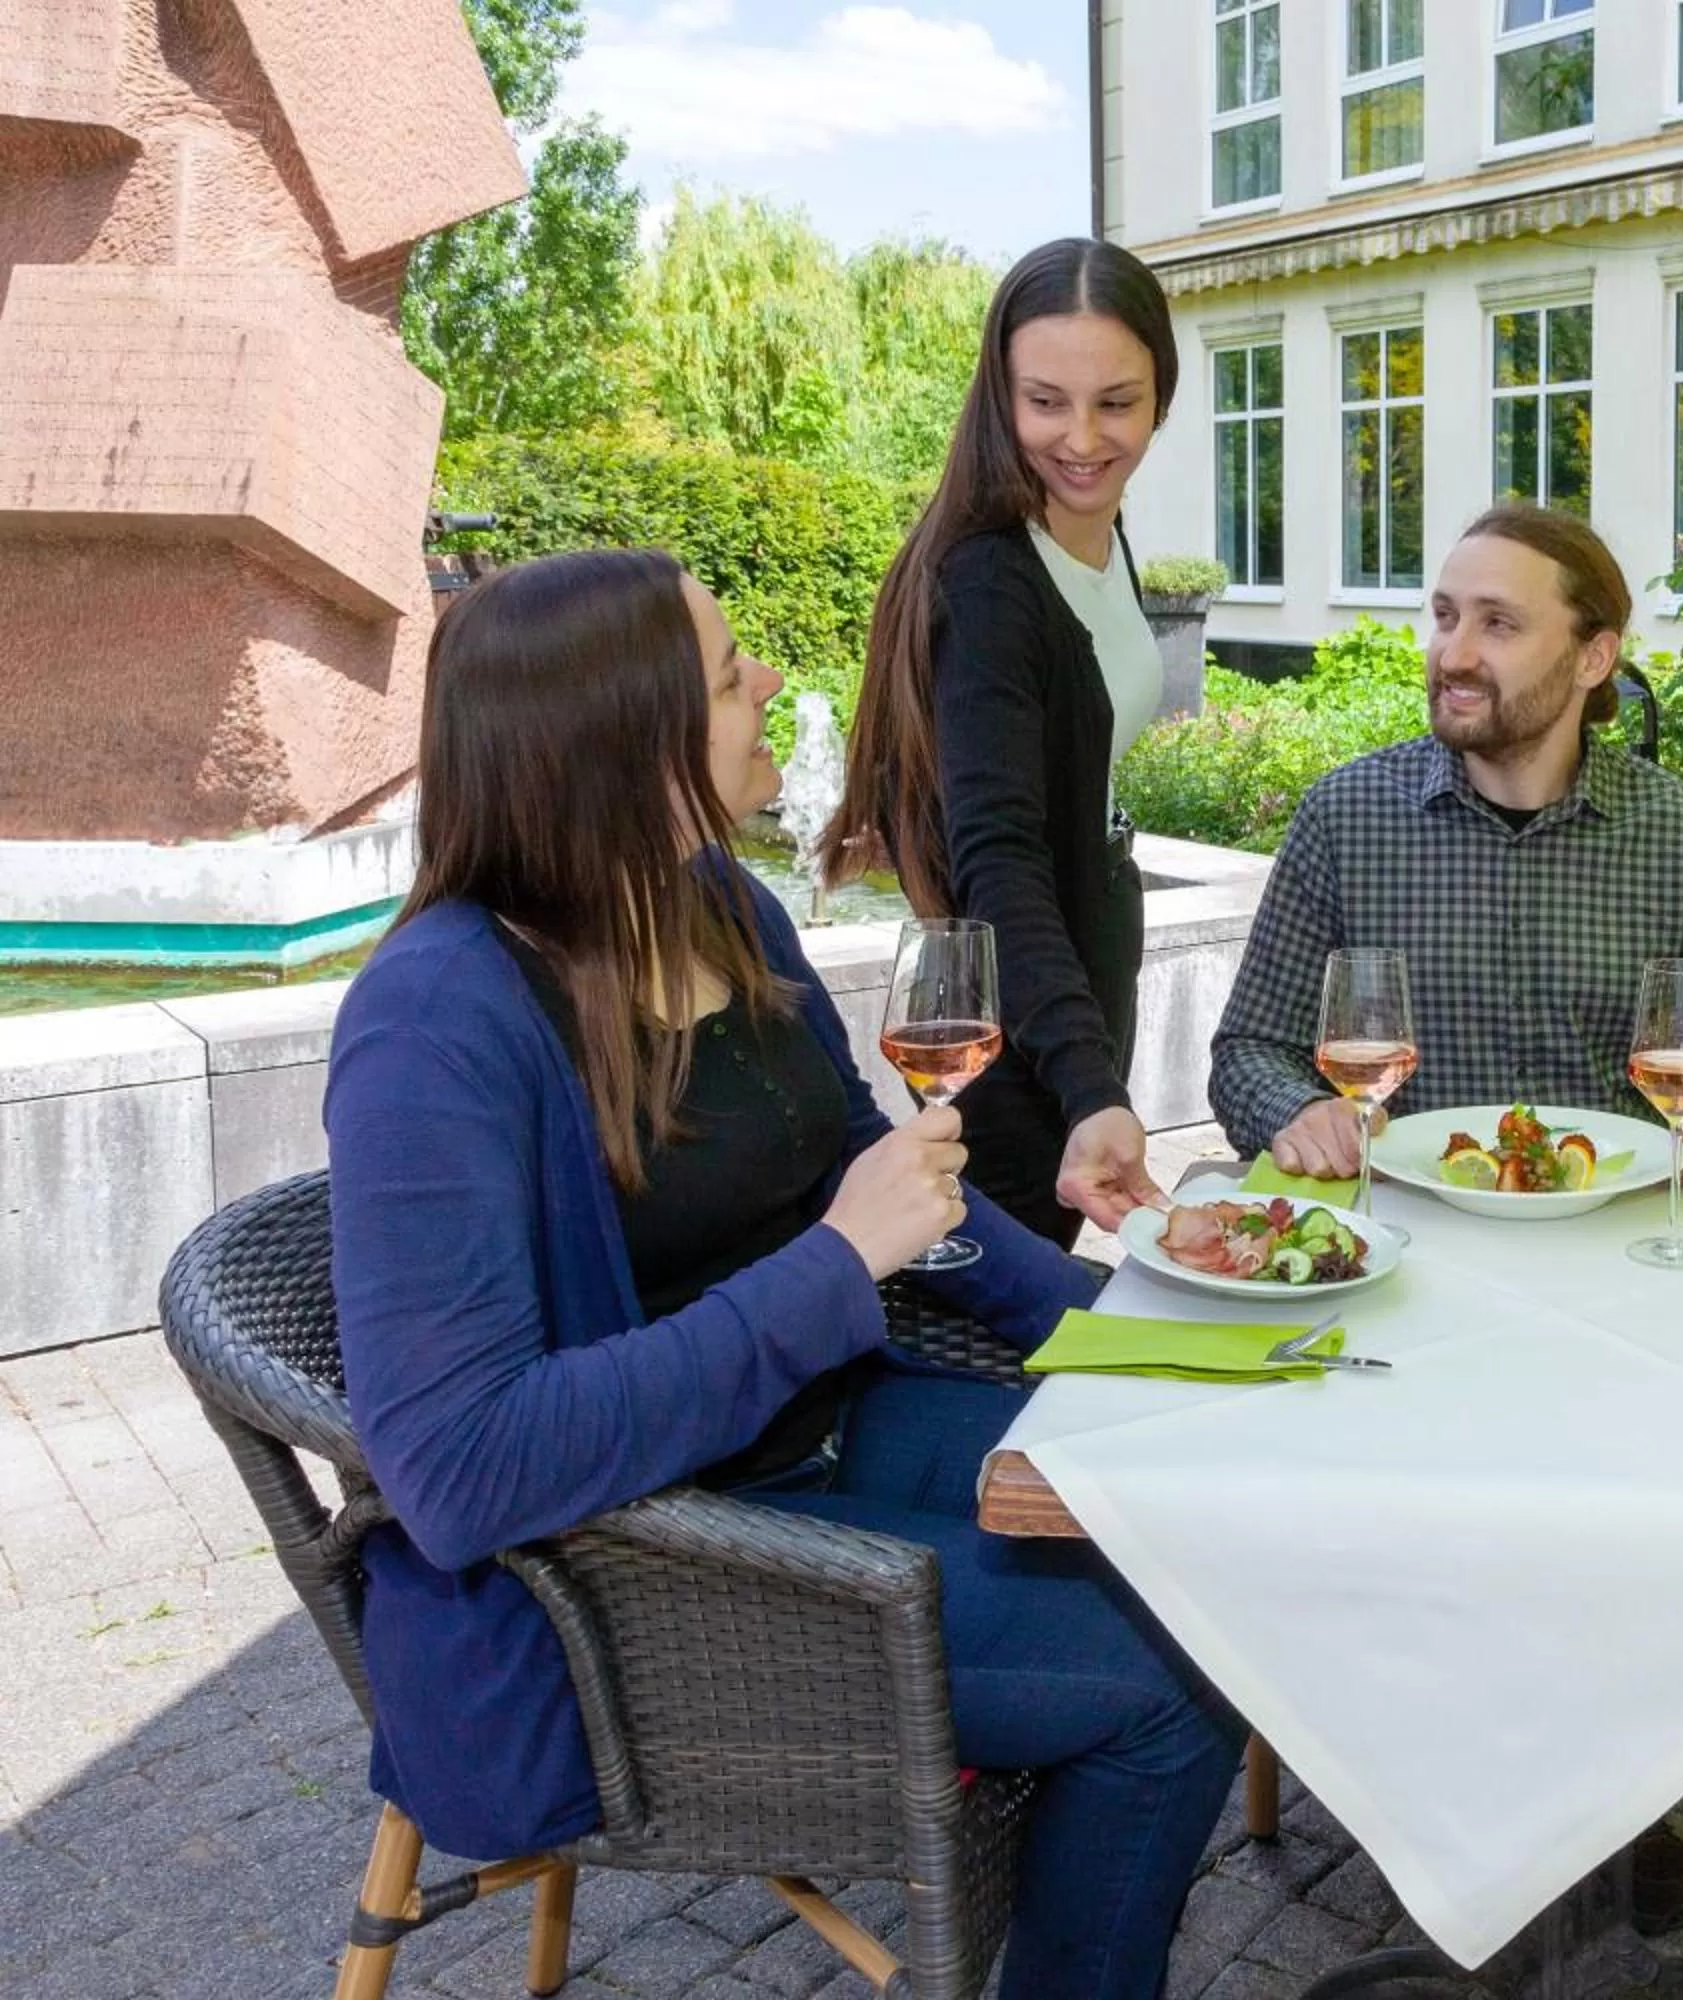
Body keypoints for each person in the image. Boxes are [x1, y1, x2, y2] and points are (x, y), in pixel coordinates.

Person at [327, 550, 1244, 2000]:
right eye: (726, 672)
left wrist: (1141, 1323)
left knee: (1201, 1504)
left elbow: (874, 1175)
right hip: (648, 1561)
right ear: (622, 744)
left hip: (825, 1432)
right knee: (1172, 1678)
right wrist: (834, 1266)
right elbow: (460, 1467)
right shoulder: (435, 1020)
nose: (767, 683)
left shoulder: (719, 906)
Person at [1208, 502, 1683, 1191]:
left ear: (1592, 657)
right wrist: (1299, 1112)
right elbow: (1250, 1051)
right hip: (1406, 1225)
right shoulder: (1346, 817)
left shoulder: (1678, 832)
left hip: (1612, 1233)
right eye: (1446, 616)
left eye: (1498, 624)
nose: (1454, 655)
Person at [829, 237, 1179, 1249]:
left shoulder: (1098, 535)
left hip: (1073, 989)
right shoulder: (990, 581)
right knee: (1011, 1299)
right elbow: (999, 856)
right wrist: (1086, 1079)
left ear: (1162, 396)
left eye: (1117, 402)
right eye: (1046, 402)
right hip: (1018, 1026)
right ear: (1000, 393)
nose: (1083, 438)